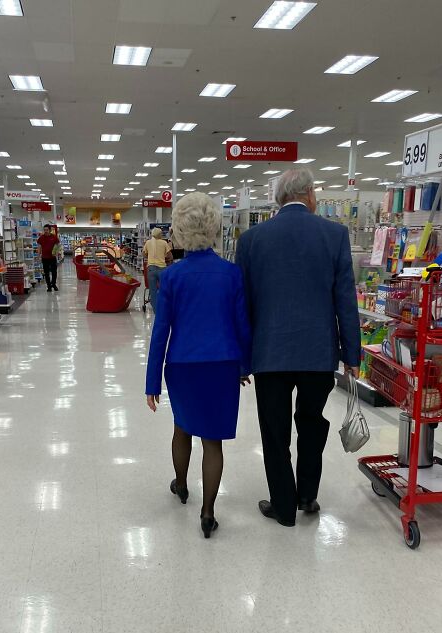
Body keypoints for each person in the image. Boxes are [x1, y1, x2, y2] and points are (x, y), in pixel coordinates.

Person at [235, 167, 361, 528]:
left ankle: (283, 505)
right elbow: (344, 301)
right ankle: (307, 493)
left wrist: (242, 360)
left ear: (279, 199)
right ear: (309, 195)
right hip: (318, 354)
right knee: (311, 423)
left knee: (274, 431)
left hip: (269, 353)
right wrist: (352, 355)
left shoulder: (252, 240)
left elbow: (242, 307)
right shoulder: (334, 235)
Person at [145, 192, 251, 539]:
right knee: (213, 441)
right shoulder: (231, 274)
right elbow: (241, 324)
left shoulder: (173, 277)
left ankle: (181, 484)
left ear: (178, 229)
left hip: (183, 365)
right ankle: (208, 512)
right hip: (222, 364)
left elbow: (161, 331)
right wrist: (244, 365)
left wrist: (152, 383)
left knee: (182, 428)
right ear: (214, 227)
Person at [143, 227, 172, 312]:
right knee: (164, 289)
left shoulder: (148, 243)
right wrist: (164, 257)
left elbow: (144, 255)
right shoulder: (164, 242)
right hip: (162, 269)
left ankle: (156, 311)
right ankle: (164, 307)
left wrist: (150, 256)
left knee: (153, 290)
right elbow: (170, 256)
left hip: (151, 269)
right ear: (160, 234)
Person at [37, 224, 61, 292]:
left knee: (54, 272)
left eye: (47, 230)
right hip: (44, 258)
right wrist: (38, 256)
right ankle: (49, 286)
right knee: (46, 272)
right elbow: (39, 247)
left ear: (50, 230)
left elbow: (58, 245)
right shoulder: (41, 238)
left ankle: (53, 284)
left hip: (52, 257)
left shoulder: (54, 237)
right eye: (44, 230)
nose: (45, 231)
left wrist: (56, 252)